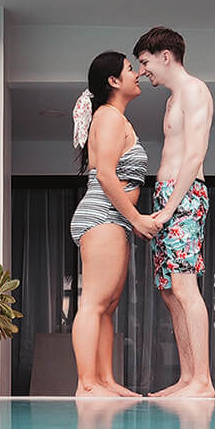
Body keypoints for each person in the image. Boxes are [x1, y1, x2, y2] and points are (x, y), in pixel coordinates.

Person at [133, 26, 215, 399]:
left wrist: (168, 209)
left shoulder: (195, 90)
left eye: (146, 62)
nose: (143, 71)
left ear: (166, 55)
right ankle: (187, 378)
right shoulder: (171, 99)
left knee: (184, 286)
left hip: (183, 198)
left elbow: (194, 154)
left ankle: (203, 381)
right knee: (168, 291)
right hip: (167, 195)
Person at [66, 51, 154, 398]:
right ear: (114, 81)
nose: (138, 74)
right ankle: (87, 383)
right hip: (104, 215)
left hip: (110, 218)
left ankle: (105, 380)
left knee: (108, 305)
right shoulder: (110, 118)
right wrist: (136, 219)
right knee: (95, 302)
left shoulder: (114, 118)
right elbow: (104, 174)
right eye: (131, 69)